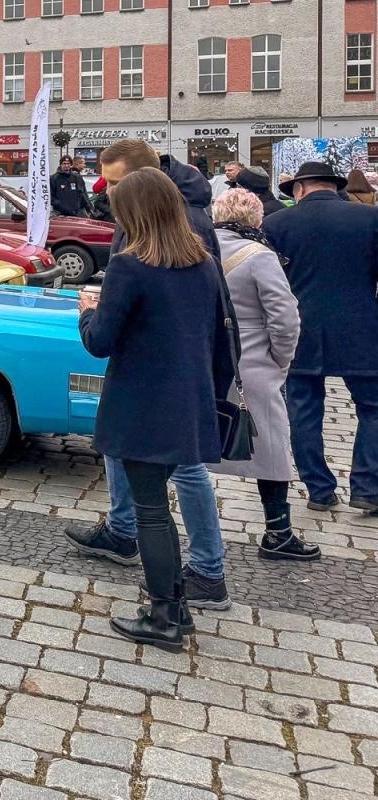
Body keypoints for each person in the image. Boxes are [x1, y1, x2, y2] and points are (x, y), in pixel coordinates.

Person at [66, 138, 232, 611]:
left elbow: (101, 341)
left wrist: (88, 311)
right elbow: (212, 330)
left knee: (158, 508)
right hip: (185, 390)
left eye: (116, 189)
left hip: (142, 399)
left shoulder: (133, 262)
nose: (109, 199)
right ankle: (130, 539)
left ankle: (180, 595)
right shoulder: (198, 257)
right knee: (157, 496)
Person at [264, 161, 378, 515]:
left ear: (299, 189)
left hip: (300, 328)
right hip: (361, 327)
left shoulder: (276, 224)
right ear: (334, 186)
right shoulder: (370, 219)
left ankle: (319, 489)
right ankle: (368, 488)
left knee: (303, 412)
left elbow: (271, 284)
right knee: (374, 409)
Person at [210, 189, 318, 559]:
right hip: (252, 364)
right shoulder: (260, 257)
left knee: (192, 449)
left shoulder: (198, 250)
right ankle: (278, 532)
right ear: (256, 220)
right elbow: (286, 320)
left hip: (205, 361)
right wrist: (279, 362)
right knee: (271, 448)